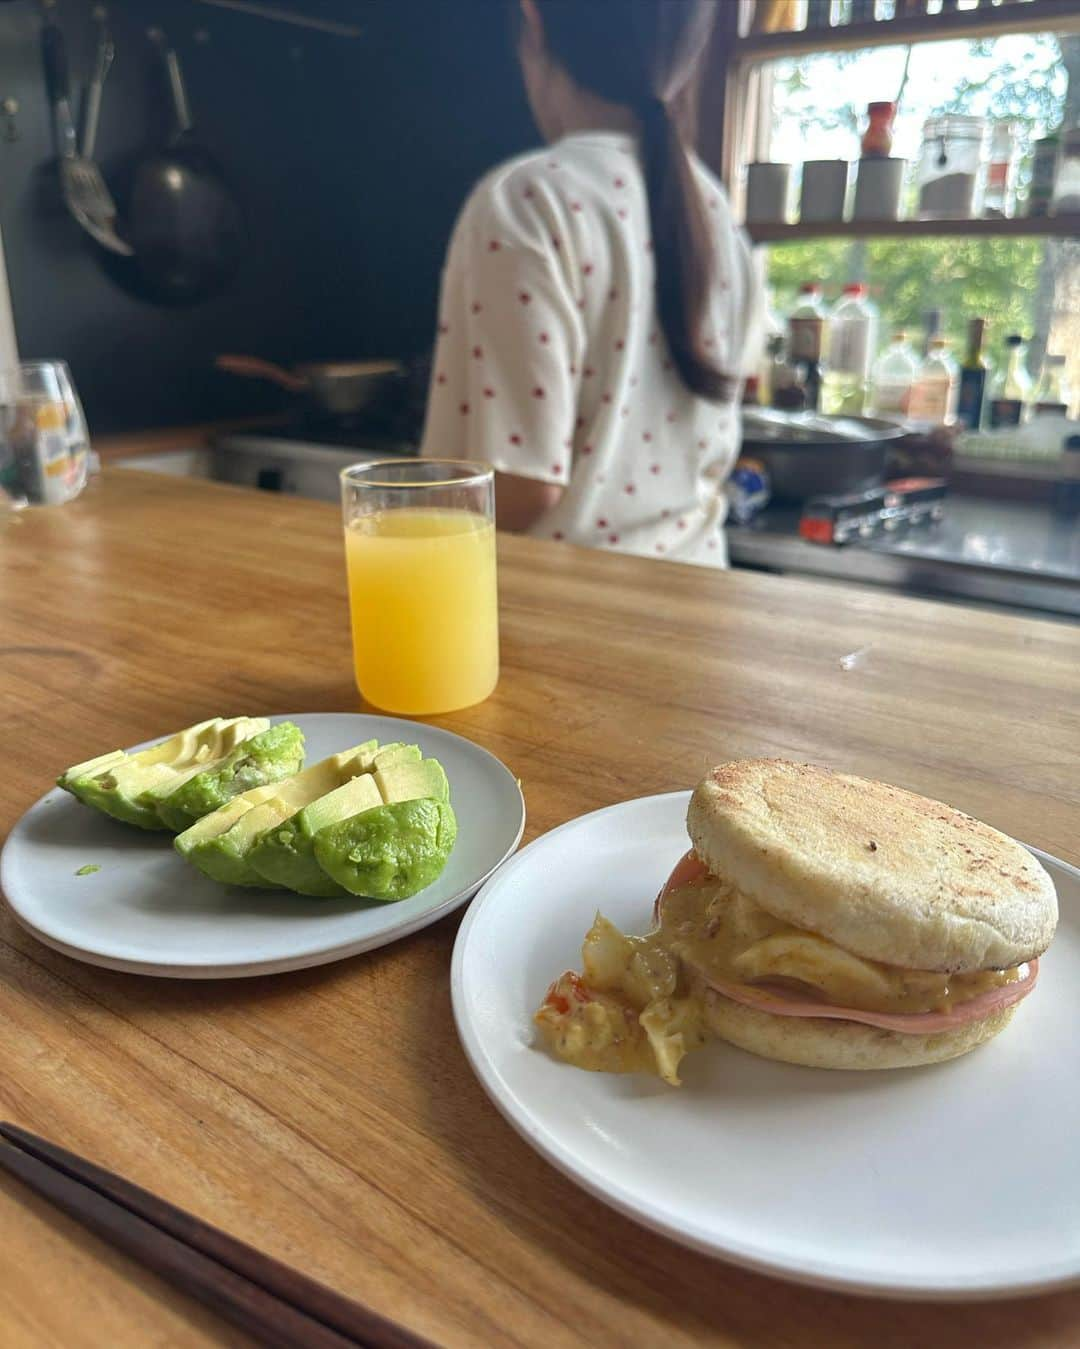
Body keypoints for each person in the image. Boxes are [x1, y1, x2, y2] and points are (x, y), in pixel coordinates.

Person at [420, 0, 764, 565]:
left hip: (563, 617)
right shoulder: (713, 212)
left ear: (534, 23)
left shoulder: (527, 201)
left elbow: (524, 488)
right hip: (698, 602)